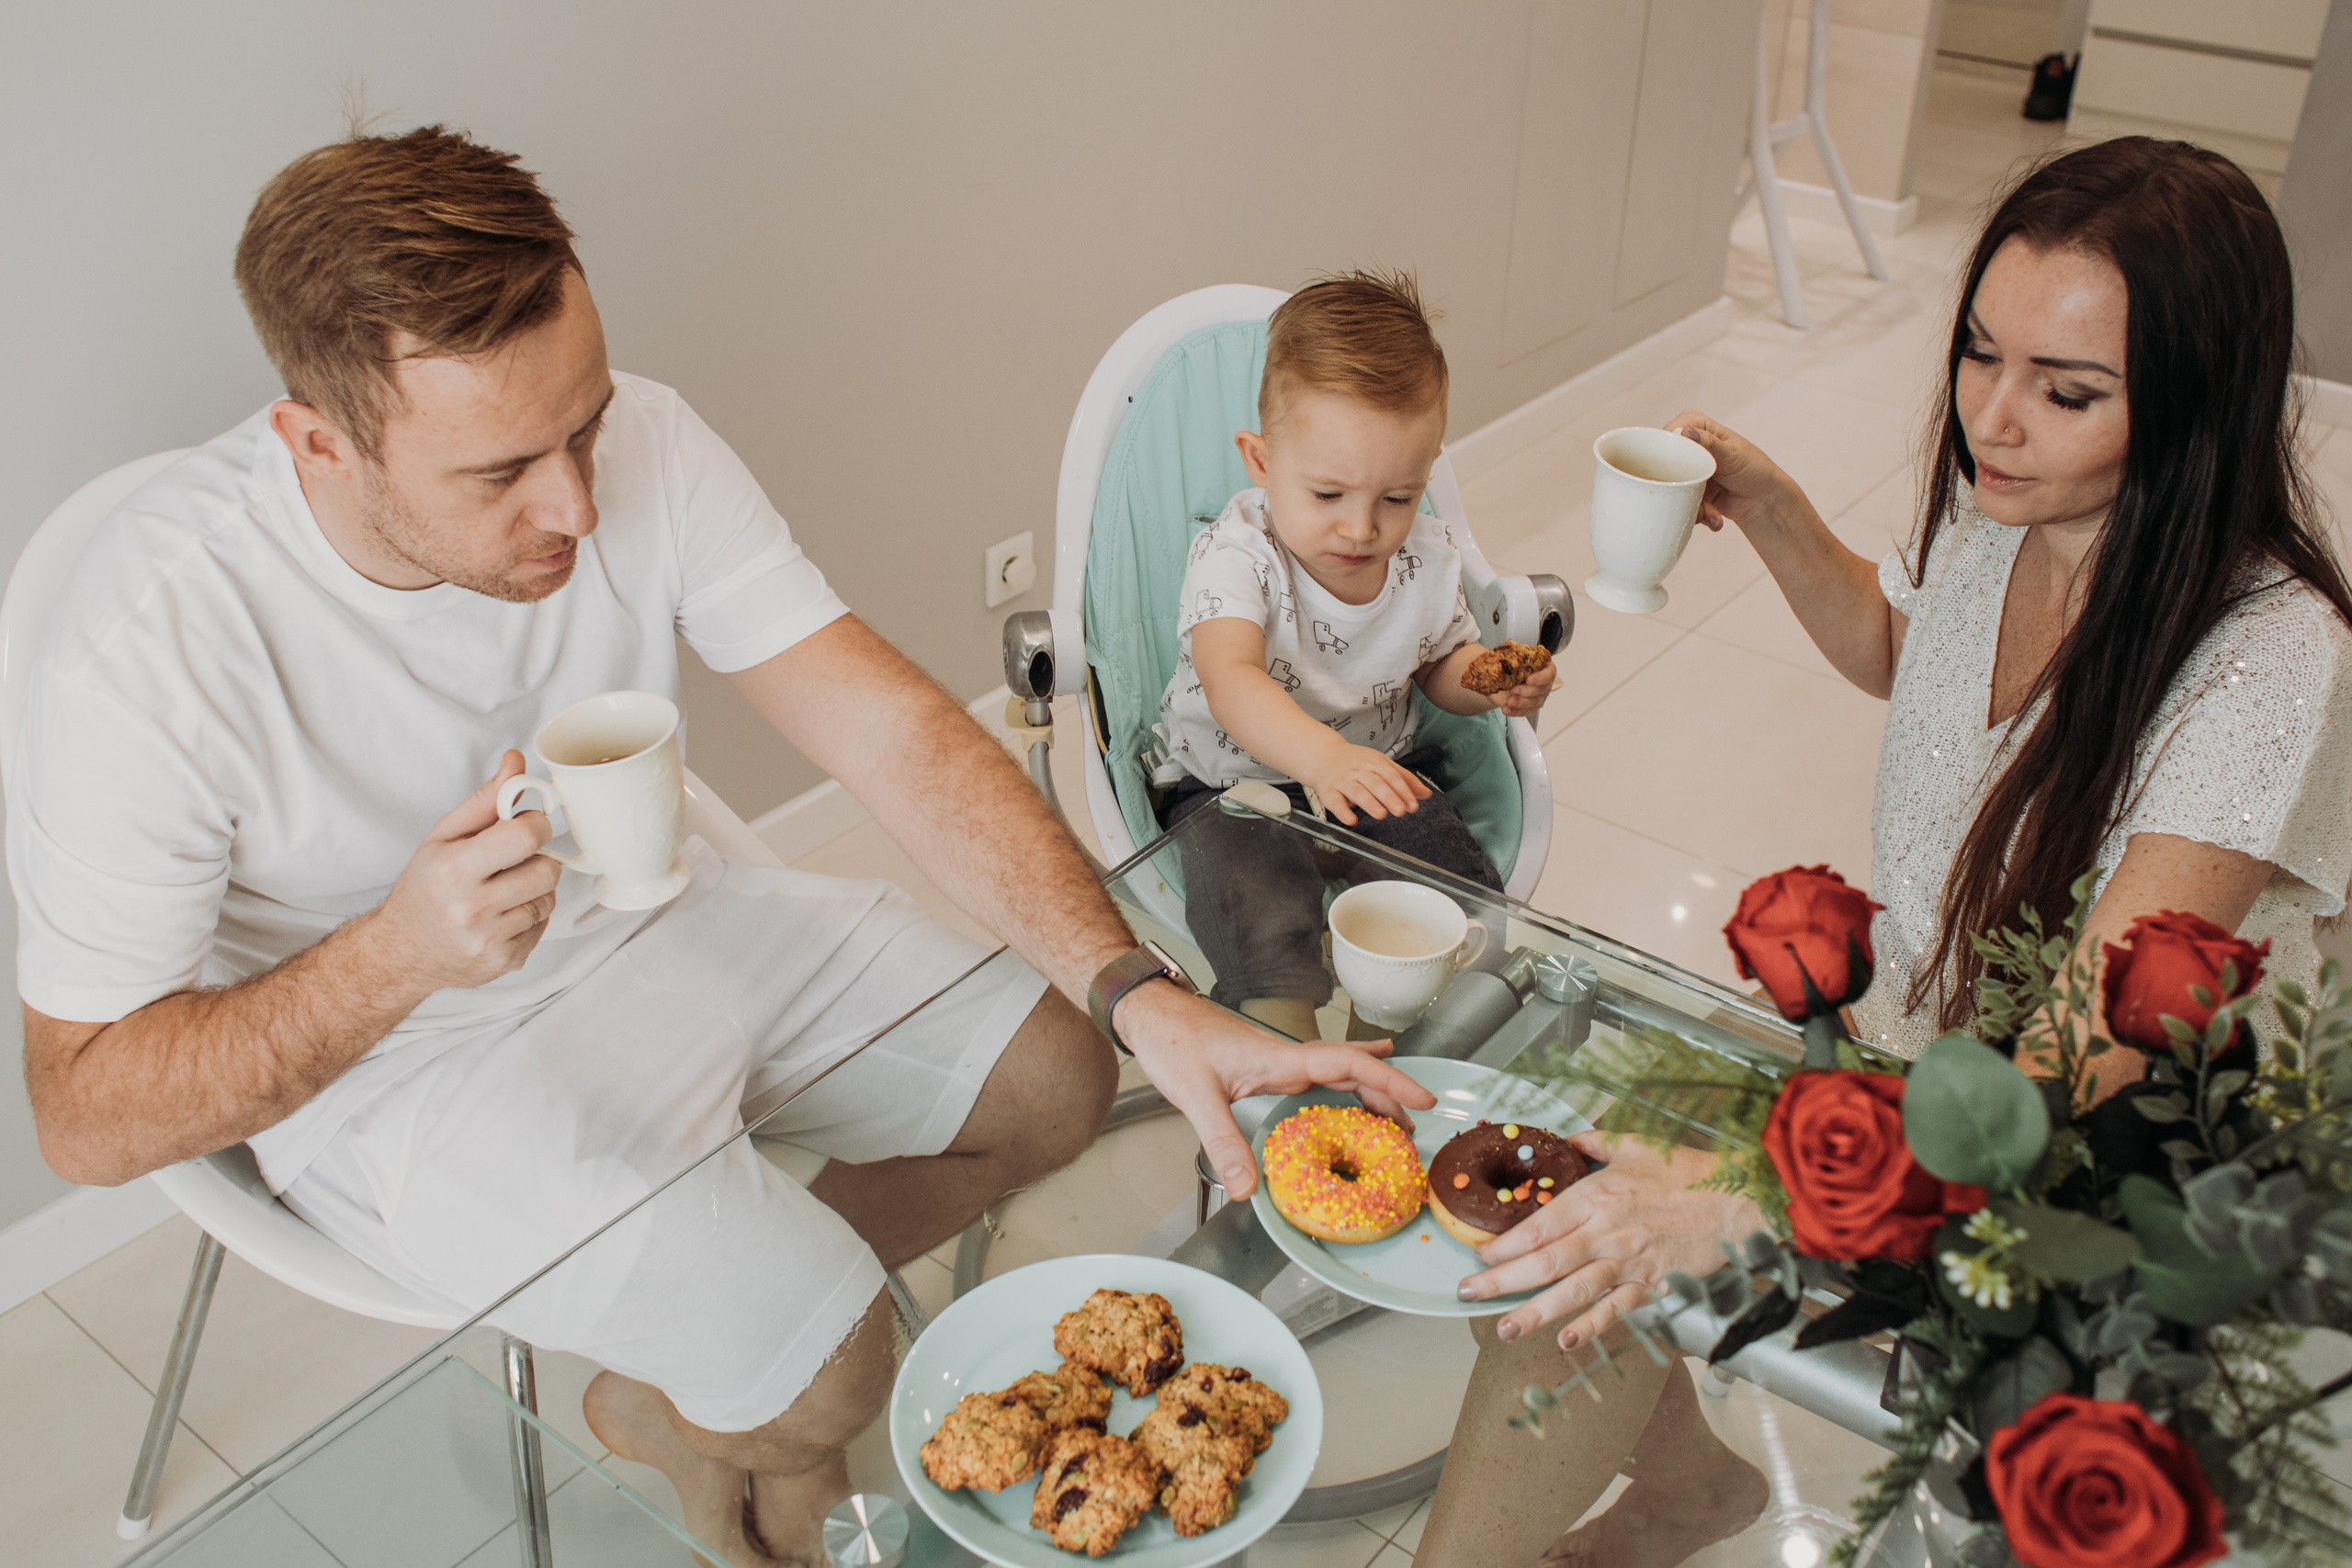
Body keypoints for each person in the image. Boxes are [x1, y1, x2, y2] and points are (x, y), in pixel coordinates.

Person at [10, 128, 1434, 1568]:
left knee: (1061, 1077)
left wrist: (1138, 992)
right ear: (320, 442)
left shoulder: (644, 440)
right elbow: (83, 1111)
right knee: (839, 1373)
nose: (577, 505)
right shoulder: (147, 643)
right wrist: (394, 955)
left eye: (582, 426)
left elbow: (889, 732)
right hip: (398, 1057)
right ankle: (773, 1393)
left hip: (643, 912)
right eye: (503, 471)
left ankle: (703, 1382)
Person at [1430, 138, 2352, 1567]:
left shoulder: (2272, 655)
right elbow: (1906, 650)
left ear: (2194, 403)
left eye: (2067, 390)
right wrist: (1775, 510)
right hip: (1920, 1061)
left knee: (1640, 1250)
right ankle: (1687, 1485)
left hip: (2106, 1161)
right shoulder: (2015, 503)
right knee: (1569, 1229)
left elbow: (2083, 1046)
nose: (1994, 418)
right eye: (1981, 353)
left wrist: (1754, 1196)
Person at [1152, 271, 1555, 1039]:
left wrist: (1491, 678)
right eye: (1328, 495)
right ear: (1261, 461)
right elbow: (1231, 679)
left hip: (1375, 772)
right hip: (1233, 786)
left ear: (1425, 475)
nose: (1362, 529)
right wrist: (1322, 759)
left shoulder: (1423, 559)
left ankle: (1386, 1050)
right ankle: (1292, 1061)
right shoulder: (1236, 555)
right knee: (1261, 916)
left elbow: (1439, 663)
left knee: (1444, 890)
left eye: (1396, 498)